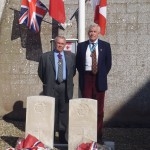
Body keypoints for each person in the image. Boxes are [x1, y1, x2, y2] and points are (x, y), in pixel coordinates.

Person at [76, 24, 112, 144]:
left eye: (94, 31)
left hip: (99, 79)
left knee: (99, 110)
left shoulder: (105, 46)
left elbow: (108, 64)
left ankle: (98, 136)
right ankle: (86, 136)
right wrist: (87, 74)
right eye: (90, 31)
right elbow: (78, 64)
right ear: (88, 33)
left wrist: (100, 74)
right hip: (86, 78)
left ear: (98, 33)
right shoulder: (81, 46)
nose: (92, 33)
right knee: (86, 107)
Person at [38, 36, 76, 143]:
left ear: (65, 45)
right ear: (55, 43)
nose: (60, 45)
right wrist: (49, 82)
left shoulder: (71, 57)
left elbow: (72, 72)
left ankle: (63, 137)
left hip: (65, 87)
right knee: (51, 111)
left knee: (64, 112)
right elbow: (41, 72)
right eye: (58, 43)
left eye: (62, 44)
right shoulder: (45, 56)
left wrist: (63, 81)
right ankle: (51, 136)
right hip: (51, 86)